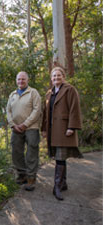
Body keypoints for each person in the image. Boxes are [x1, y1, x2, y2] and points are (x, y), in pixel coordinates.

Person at [41, 67, 82, 201]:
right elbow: (46, 113)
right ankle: (63, 183)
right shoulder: (49, 93)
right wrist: (44, 129)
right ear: (51, 79)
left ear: (63, 76)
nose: (56, 78)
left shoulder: (70, 90)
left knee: (60, 157)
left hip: (64, 129)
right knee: (60, 157)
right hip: (53, 130)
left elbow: (74, 109)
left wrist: (72, 126)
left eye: (58, 76)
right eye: (54, 76)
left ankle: (56, 187)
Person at [6, 71, 42, 191]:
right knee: (16, 152)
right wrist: (13, 125)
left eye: (23, 79)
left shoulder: (33, 93)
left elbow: (37, 110)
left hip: (31, 128)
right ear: (16, 81)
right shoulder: (13, 94)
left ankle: (31, 179)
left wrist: (25, 124)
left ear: (27, 80)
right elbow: (8, 111)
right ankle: (22, 176)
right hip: (16, 129)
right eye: (19, 79)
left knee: (31, 153)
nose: (21, 81)